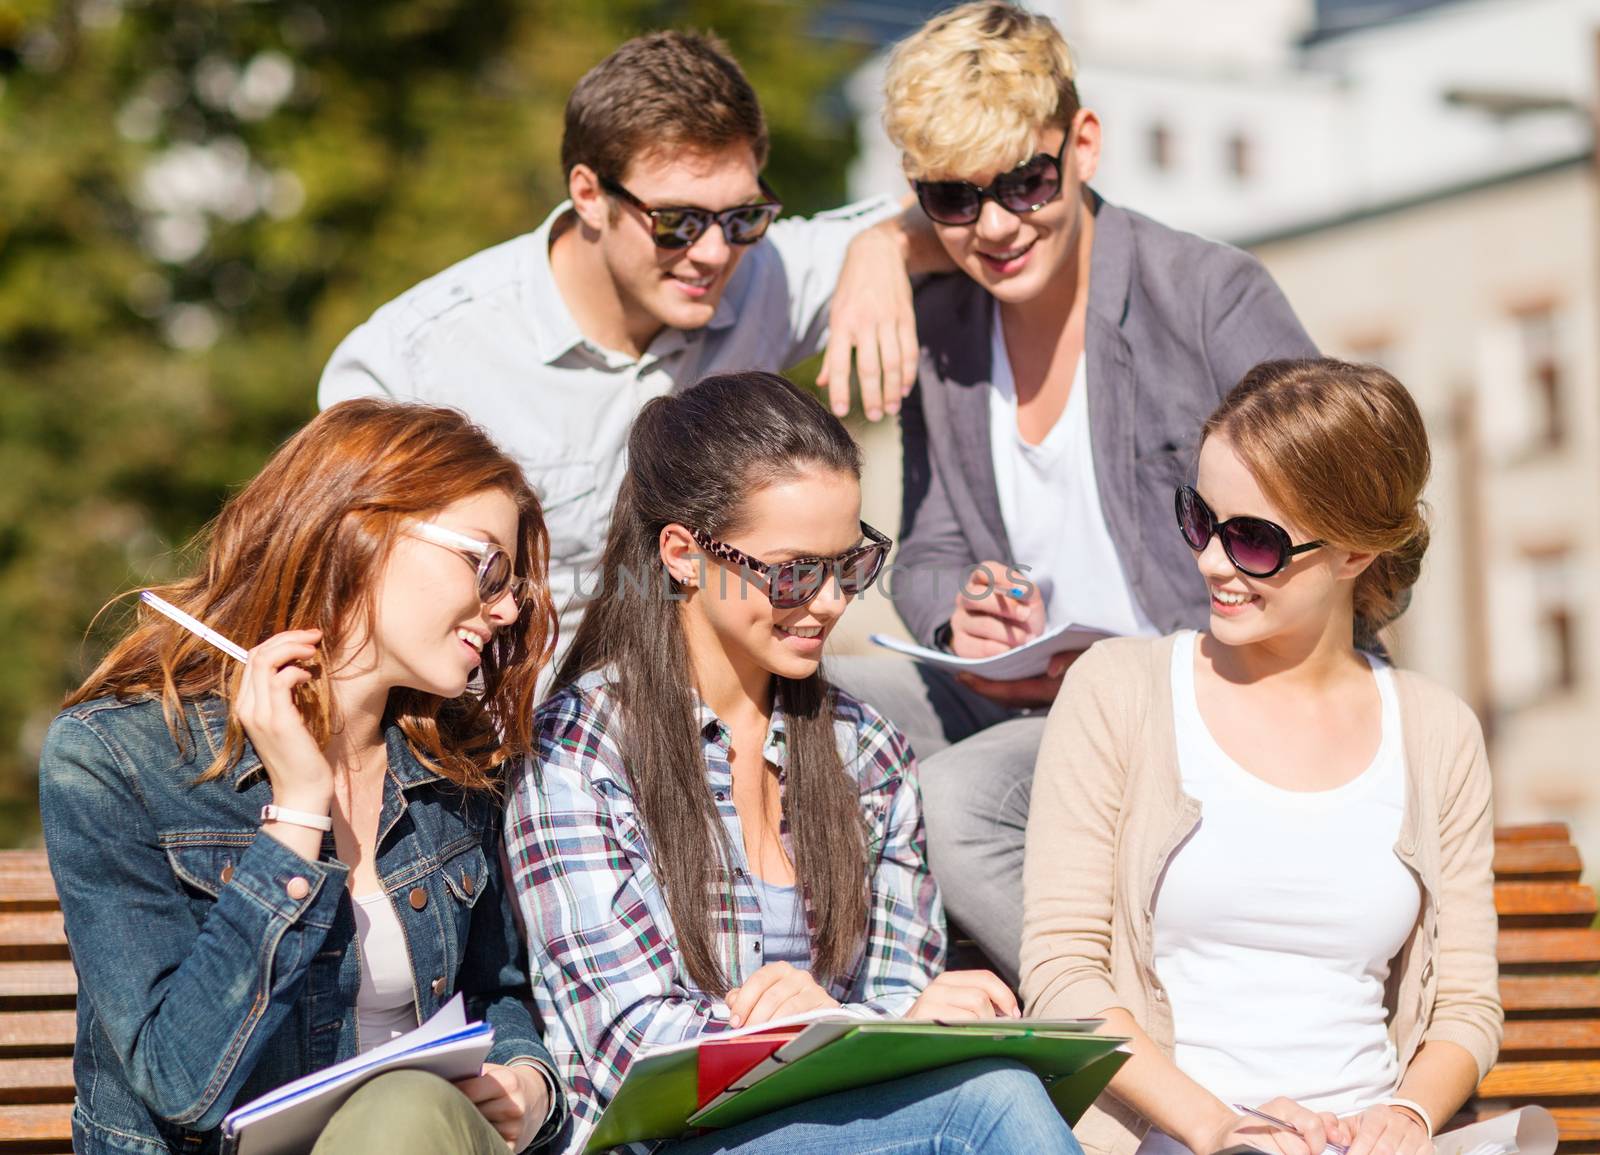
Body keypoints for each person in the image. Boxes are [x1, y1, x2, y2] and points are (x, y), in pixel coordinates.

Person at [830, 0, 1320, 982]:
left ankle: (1145, 1050)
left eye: (1025, 181)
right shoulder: (946, 327)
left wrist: (1139, 668)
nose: (997, 226)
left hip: (1211, 708)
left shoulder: (1209, 297)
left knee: (957, 804)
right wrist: (956, 620)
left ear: (1082, 144)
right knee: (809, 710)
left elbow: (1327, 532)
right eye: (953, 201)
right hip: (1028, 704)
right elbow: (926, 546)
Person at [504, 371, 1082, 1155]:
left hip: (839, 1122)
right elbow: (628, 1046)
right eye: (792, 572)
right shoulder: (581, 747)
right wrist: (825, 1029)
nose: (830, 600)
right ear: (682, 553)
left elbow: (892, 996)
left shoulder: (863, 747)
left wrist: (893, 1021)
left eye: (849, 563)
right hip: (662, 1141)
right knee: (990, 1108)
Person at [39, 400, 568, 1155]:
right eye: (485, 565)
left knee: (408, 1112)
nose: (508, 604)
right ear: (363, 529)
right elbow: (178, 1081)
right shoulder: (116, 758)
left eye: (512, 581)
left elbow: (497, 991)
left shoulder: (452, 763)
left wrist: (526, 1081)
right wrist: (296, 815)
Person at [319, 30, 944, 667]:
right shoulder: (415, 360)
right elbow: (345, 594)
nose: (714, 253)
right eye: (677, 223)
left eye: (743, 218)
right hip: (497, 729)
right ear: (589, 194)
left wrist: (880, 245)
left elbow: (974, 215)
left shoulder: (766, 275)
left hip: (694, 716)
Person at [1020, 359, 1502, 1155]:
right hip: (1171, 1138)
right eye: (1200, 520)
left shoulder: (1437, 730)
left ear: (1354, 552)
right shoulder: (1119, 691)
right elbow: (1064, 975)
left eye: (1252, 539)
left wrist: (1407, 1116)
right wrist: (1220, 1125)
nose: (1212, 560)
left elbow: (1467, 1003)